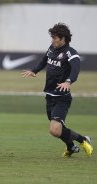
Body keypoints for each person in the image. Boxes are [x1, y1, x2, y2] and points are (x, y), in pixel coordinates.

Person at [22, 23, 93, 158]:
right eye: (52, 37)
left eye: (55, 38)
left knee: (54, 130)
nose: (52, 40)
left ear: (63, 39)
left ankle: (83, 139)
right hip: (49, 96)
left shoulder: (70, 53)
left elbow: (76, 69)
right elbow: (44, 61)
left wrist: (68, 81)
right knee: (59, 129)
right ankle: (71, 147)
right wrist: (34, 71)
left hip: (62, 97)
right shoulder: (51, 49)